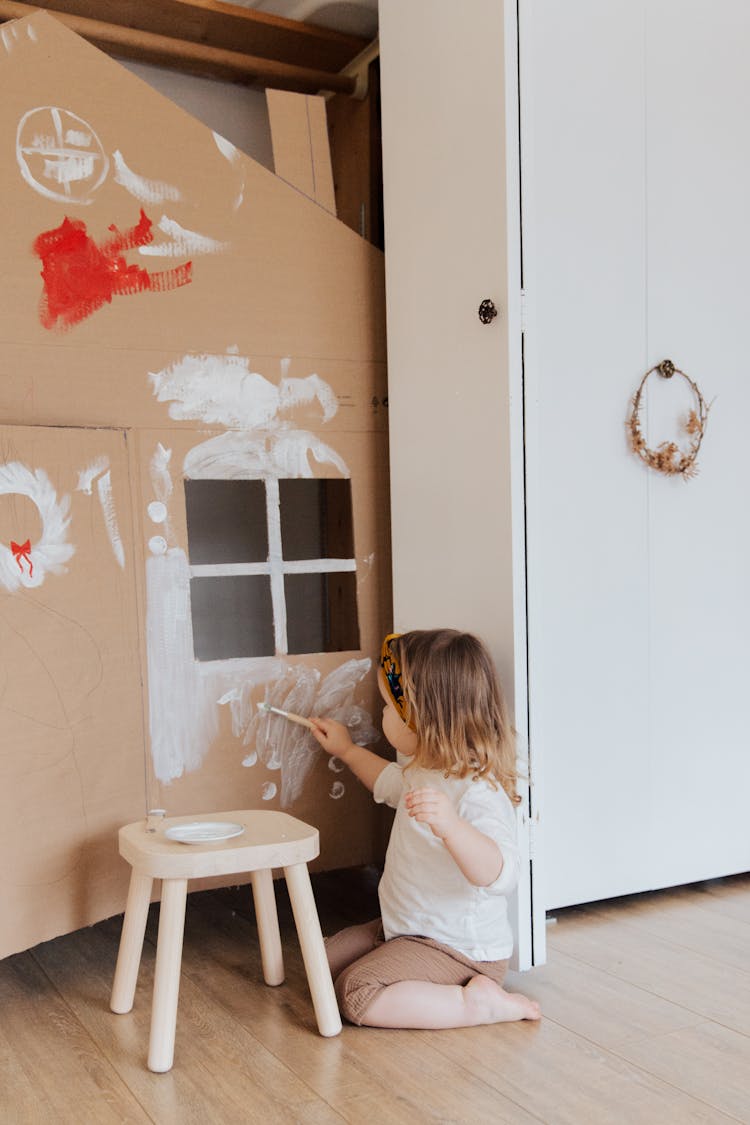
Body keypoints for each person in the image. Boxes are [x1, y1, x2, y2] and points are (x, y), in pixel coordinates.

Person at [310, 628, 541, 1029]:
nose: (381, 714)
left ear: (425, 720)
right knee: (317, 961)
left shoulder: (476, 790)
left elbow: (501, 873)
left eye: (388, 707)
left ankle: (479, 1005)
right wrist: (347, 751)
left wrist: (451, 826)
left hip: (459, 950)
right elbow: (387, 782)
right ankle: (417, 975)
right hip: (407, 927)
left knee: (355, 993)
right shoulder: (426, 770)